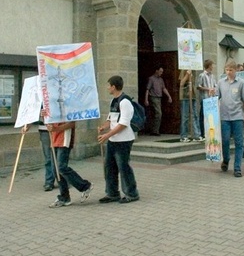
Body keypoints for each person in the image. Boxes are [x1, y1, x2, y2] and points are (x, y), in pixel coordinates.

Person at [97, 75, 140, 204]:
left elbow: (123, 124)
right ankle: (112, 193)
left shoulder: (125, 102)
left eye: (108, 86)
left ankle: (131, 193)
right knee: (109, 167)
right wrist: (103, 127)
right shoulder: (113, 101)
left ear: (114, 87)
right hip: (113, 140)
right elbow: (111, 119)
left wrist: (107, 135)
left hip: (124, 140)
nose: (107, 88)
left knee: (123, 167)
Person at [47, 121, 93, 208]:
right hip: (54, 137)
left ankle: (85, 186)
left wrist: (56, 128)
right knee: (55, 170)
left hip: (64, 137)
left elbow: (72, 123)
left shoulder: (68, 107)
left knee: (61, 167)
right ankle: (64, 197)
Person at [217, 59, 244, 177]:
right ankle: (226, 159)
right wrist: (211, 94)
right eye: (227, 70)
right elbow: (216, 97)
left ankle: (237, 168)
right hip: (224, 117)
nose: (228, 72)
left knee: (239, 143)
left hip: (237, 116)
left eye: (231, 70)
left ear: (235, 70)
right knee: (225, 140)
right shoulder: (221, 82)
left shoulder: (241, 83)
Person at [20, 108, 55, 191]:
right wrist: (27, 126)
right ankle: (49, 181)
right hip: (44, 129)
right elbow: (33, 112)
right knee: (48, 158)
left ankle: (62, 179)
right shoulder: (38, 97)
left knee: (59, 156)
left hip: (57, 128)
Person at [144, 65, 173, 136]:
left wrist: (169, 96)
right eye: (160, 71)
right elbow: (147, 89)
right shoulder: (151, 79)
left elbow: (164, 88)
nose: (161, 73)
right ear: (156, 71)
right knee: (158, 113)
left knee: (156, 114)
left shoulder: (161, 80)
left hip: (159, 98)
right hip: (153, 97)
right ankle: (155, 131)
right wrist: (146, 99)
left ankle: (154, 129)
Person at [179, 70, 203, 142]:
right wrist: (187, 75)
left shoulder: (194, 71)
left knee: (195, 115)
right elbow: (181, 83)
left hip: (193, 95)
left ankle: (197, 134)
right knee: (185, 116)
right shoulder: (183, 71)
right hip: (185, 96)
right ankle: (183, 136)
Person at [197, 59, 217, 138]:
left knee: (211, 116)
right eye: (212, 65)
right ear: (209, 66)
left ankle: (211, 132)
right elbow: (198, 86)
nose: (213, 67)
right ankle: (203, 133)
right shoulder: (202, 75)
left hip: (212, 98)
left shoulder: (212, 76)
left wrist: (214, 89)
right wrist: (208, 89)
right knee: (203, 116)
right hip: (205, 98)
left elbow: (215, 85)